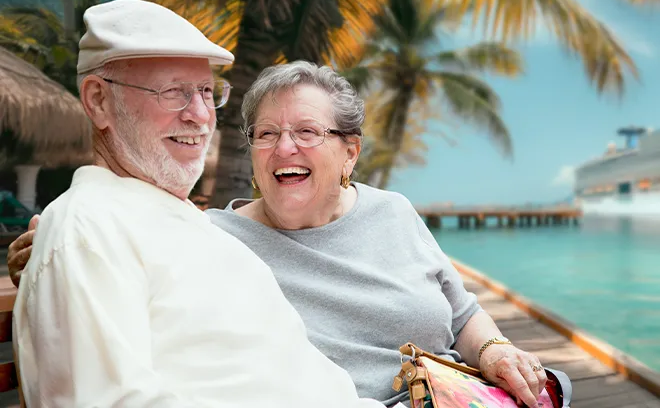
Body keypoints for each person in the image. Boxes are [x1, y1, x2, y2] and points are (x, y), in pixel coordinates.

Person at [8, 61, 556, 407]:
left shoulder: (393, 211)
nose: (284, 147)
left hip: (458, 393)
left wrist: (496, 351)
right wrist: (42, 252)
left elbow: (460, 314)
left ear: (350, 152)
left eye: (306, 132)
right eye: (267, 134)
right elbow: (115, 254)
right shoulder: (211, 238)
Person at [9, 0, 386, 408]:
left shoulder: (185, 224)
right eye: (173, 92)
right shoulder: (90, 230)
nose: (201, 115)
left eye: (206, 91)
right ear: (99, 101)